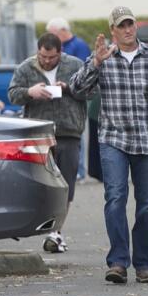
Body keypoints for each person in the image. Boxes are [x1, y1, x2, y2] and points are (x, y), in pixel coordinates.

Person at [70, 6, 148, 284]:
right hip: (114, 139)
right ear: (113, 30)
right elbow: (77, 90)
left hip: (147, 139)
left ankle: (144, 264)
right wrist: (95, 64)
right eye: (121, 26)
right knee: (116, 198)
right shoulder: (103, 57)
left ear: (136, 26)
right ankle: (118, 262)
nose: (127, 29)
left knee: (146, 204)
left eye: (130, 24)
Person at [8, 33, 95, 252]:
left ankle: (55, 233)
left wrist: (68, 89)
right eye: (43, 56)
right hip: (38, 133)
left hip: (69, 132)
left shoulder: (75, 65)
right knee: (41, 185)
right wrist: (31, 92)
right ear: (38, 52)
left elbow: (93, 92)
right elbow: (13, 94)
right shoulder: (26, 68)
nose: (46, 61)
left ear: (60, 53)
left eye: (51, 57)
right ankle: (46, 228)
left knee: (66, 185)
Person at [48, 18, 94, 180]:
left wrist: (68, 85)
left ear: (62, 31)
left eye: (52, 34)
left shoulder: (79, 46)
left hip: (75, 97)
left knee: (80, 134)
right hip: (60, 96)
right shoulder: (59, 47)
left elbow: (84, 73)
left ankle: (80, 170)